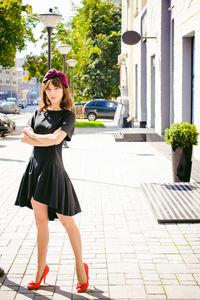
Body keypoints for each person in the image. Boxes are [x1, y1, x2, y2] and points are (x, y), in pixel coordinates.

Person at [15, 69, 89, 293]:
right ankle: (40, 270)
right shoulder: (38, 113)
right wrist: (39, 139)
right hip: (35, 170)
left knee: (67, 222)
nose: (52, 92)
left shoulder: (68, 115)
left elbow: (56, 139)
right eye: (48, 89)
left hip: (54, 173)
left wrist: (34, 138)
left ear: (63, 89)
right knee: (40, 223)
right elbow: (22, 138)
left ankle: (80, 266)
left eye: (56, 88)